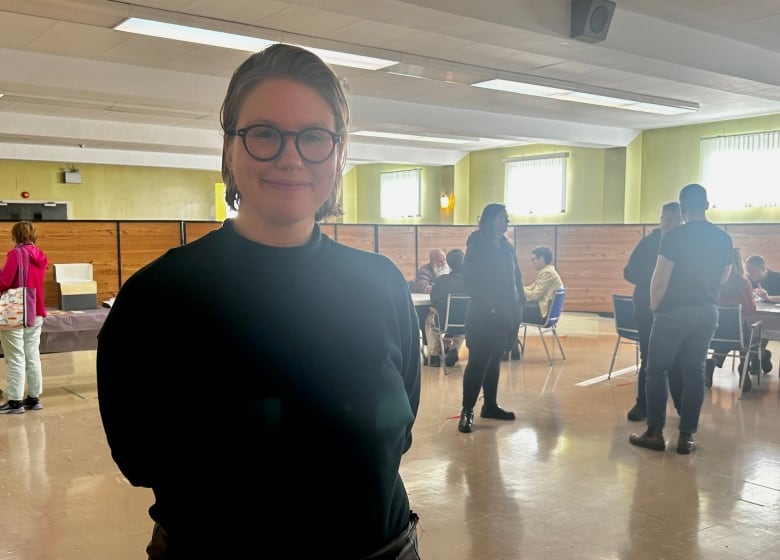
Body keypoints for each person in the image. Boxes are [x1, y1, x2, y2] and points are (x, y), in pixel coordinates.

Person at [96, 44, 422, 560]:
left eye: (314, 137)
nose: (290, 157)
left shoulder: (380, 284)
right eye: (265, 134)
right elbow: (138, 456)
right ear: (229, 148)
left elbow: (397, 430)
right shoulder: (157, 297)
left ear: (339, 154)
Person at [630, 183, 733, 455]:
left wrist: (656, 308)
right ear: (707, 205)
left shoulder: (675, 236)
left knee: (656, 370)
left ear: (683, 207)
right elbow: (724, 276)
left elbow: (660, 277)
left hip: (674, 311)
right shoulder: (723, 238)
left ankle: (654, 432)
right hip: (708, 311)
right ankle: (686, 437)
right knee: (694, 373)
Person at [458, 203, 525, 433]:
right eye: (502, 217)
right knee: (478, 362)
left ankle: (490, 405)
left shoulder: (507, 247)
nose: (507, 221)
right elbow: (469, 280)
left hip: (506, 314)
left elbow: (516, 276)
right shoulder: (478, 245)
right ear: (490, 220)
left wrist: (519, 303)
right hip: (484, 315)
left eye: (507, 217)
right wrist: (491, 306)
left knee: (495, 360)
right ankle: (467, 411)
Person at [622, 202, 683, 422]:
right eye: (667, 218)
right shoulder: (649, 243)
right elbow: (628, 272)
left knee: (678, 359)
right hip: (647, 308)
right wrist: (656, 279)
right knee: (648, 357)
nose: (671, 223)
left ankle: (681, 407)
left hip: (677, 309)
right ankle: (643, 404)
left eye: (676, 219)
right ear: (660, 219)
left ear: (682, 220)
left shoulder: (686, 245)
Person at [0, 221, 48, 414]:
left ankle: (15, 401)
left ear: (15, 236)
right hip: (36, 311)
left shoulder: (16, 254)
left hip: (15, 311)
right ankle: (34, 398)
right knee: (32, 355)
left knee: (16, 357)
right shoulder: (41, 256)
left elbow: (4, 282)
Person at [705, 248, 757, 390]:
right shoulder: (743, 283)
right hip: (737, 333)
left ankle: (712, 363)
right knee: (748, 335)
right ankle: (744, 367)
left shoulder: (712, 281)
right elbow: (749, 310)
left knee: (725, 334)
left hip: (714, 333)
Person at [426, 248, 465, 368]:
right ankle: (454, 349)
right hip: (468, 322)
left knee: (431, 319)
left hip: (444, 322)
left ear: (449, 263)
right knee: (462, 317)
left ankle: (434, 356)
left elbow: (434, 300)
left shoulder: (442, 281)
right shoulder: (472, 282)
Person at [744, 254, 779, 374]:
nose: (750, 274)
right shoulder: (748, 280)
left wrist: (768, 297)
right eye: (748, 271)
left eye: (753, 271)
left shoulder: (776, 277)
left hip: (775, 318)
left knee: (761, 327)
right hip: (758, 315)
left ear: (763, 268)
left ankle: (758, 357)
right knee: (753, 328)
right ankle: (761, 356)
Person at [522, 246, 563, 325]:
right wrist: (520, 288)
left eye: (533, 259)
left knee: (510, 310)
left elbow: (535, 296)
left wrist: (519, 289)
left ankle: (508, 337)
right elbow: (532, 288)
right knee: (513, 308)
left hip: (541, 315)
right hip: (543, 311)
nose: (531, 262)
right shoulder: (547, 271)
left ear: (541, 259)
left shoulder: (547, 273)